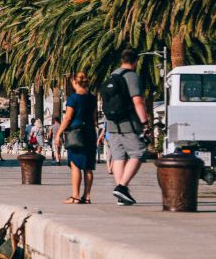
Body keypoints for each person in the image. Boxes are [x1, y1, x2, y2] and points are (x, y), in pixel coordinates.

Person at [100, 48, 150, 205]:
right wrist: (145, 122)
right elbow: (138, 101)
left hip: (112, 124)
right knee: (139, 153)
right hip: (128, 123)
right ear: (136, 61)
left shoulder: (112, 76)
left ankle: (121, 194)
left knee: (118, 157)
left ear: (122, 59)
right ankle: (122, 187)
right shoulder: (131, 77)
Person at [56, 72, 98, 204]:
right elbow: (94, 118)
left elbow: (68, 117)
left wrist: (58, 134)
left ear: (75, 82)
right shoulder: (92, 98)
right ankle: (87, 197)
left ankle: (75, 196)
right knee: (88, 167)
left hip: (76, 134)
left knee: (75, 165)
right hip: (90, 133)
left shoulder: (73, 98)